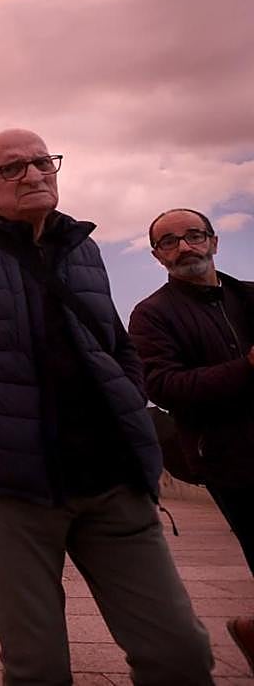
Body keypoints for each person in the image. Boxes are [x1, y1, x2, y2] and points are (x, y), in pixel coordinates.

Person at [0, 129, 213, 685]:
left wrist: (127, 396)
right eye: (12, 169)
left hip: (111, 481)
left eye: (42, 162)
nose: (33, 175)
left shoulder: (84, 249)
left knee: (178, 651)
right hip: (8, 486)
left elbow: (114, 343)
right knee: (38, 665)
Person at [129, 207, 254, 671]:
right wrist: (245, 368)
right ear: (158, 256)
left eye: (194, 236)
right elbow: (162, 387)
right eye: (169, 241)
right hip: (233, 459)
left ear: (214, 242)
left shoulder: (249, 297)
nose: (184, 247)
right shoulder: (152, 316)